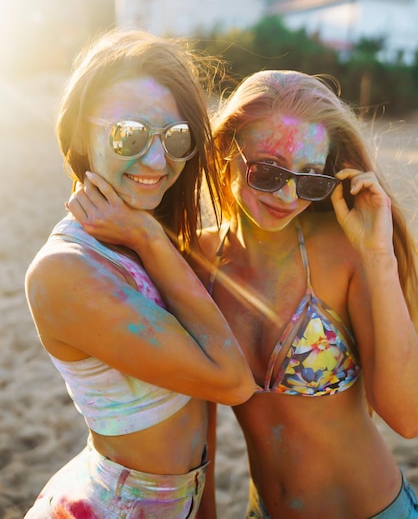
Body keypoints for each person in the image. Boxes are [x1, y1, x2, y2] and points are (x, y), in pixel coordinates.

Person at [71, 69, 418, 518]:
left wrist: (379, 258)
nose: (289, 196)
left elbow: (406, 417)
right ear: (222, 150)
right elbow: (199, 421)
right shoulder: (192, 261)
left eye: (311, 178)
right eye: (268, 171)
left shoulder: (344, 253)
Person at [24, 29, 255, 519]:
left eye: (174, 138)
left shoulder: (154, 240)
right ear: (80, 135)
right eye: (127, 133)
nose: (157, 161)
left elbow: (200, 407)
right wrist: (149, 239)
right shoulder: (66, 271)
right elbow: (232, 381)